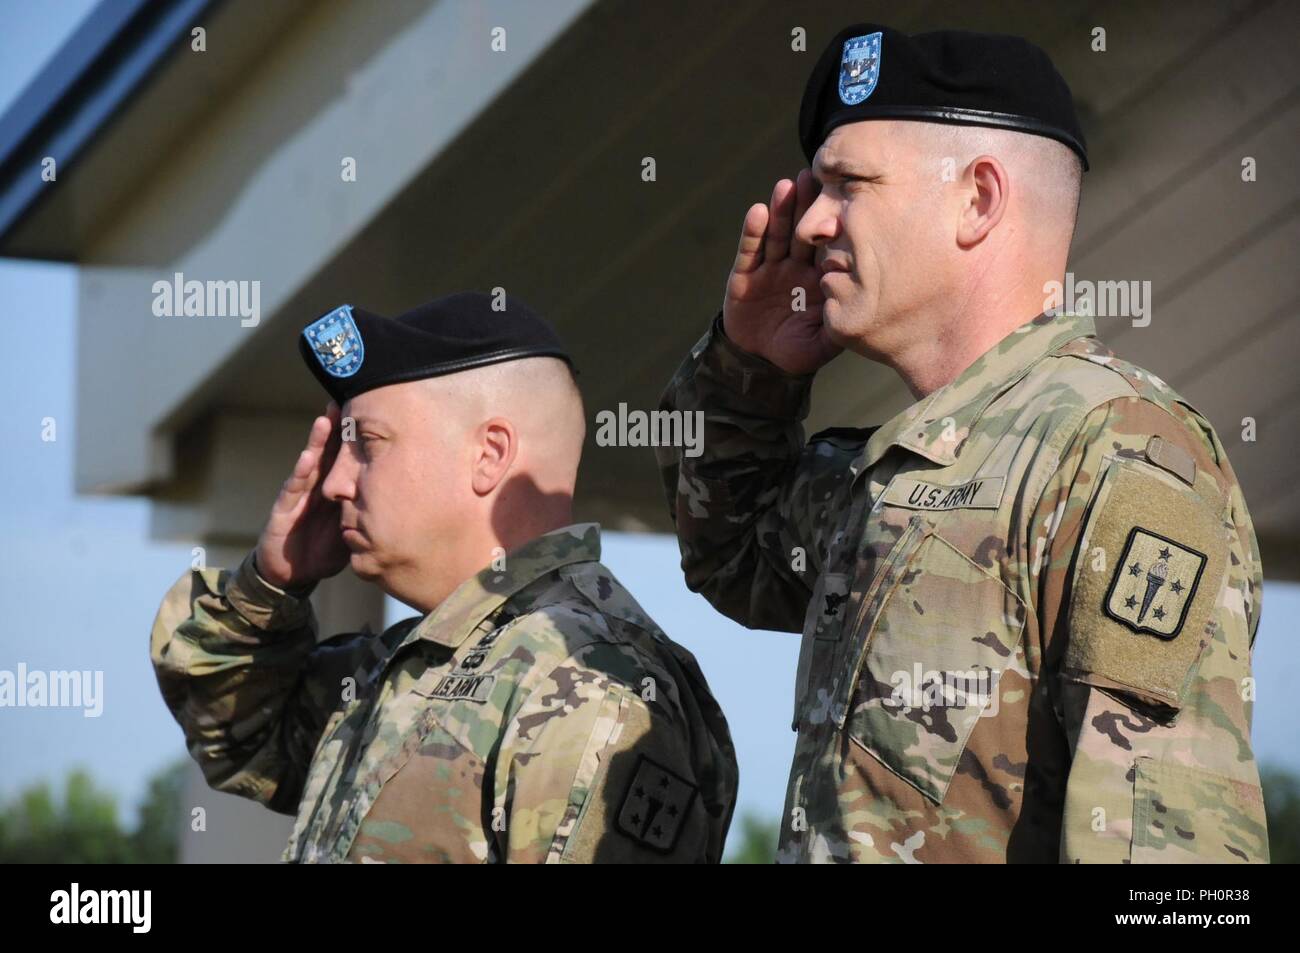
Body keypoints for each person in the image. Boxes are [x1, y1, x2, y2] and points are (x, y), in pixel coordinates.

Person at [656, 24, 1267, 863]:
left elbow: (1170, 869)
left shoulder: (1113, 452)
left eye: (850, 185)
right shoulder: (886, 475)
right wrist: (748, 368)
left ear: (978, 199)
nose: (811, 223)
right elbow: (728, 551)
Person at [152, 292, 737, 863]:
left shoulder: (586, 683)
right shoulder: (407, 665)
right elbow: (237, 740)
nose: (334, 484)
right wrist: (269, 586)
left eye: (367, 446)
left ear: (489, 454)